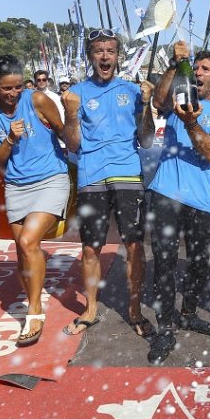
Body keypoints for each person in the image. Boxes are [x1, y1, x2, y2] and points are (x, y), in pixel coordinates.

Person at [144, 41, 210, 363]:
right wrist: (177, 63)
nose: (198, 73)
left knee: (199, 264)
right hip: (164, 193)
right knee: (165, 263)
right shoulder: (178, 98)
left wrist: (190, 123)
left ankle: (188, 313)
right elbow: (158, 101)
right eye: (195, 68)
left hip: (199, 201)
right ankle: (165, 330)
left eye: (205, 69)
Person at [61, 29, 156, 337]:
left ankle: (134, 308)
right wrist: (71, 115)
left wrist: (147, 105)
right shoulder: (76, 92)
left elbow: (146, 138)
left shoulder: (131, 91)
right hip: (92, 178)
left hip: (128, 175)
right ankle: (89, 309)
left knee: (134, 245)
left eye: (110, 51)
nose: (105, 56)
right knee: (90, 248)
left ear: (118, 57)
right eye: (99, 51)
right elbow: (73, 145)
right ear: (90, 56)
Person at [0, 55, 71, 345]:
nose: (14, 93)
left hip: (51, 178)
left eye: (18, 87)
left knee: (28, 242)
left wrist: (70, 118)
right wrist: (10, 140)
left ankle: (34, 311)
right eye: (7, 88)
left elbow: (65, 133)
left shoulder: (38, 99)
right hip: (16, 186)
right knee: (23, 256)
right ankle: (34, 298)